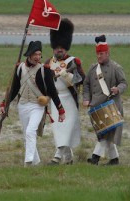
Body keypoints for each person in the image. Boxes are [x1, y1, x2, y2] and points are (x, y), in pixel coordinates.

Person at [0, 41, 65, 167]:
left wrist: (60, 110)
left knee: (30, 132)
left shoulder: (44, 70)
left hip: (37, 106)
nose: (37, 57)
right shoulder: (19, 68)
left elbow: (52, 91)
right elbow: (14, 89)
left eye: (39, 54)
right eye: (35, 54)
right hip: (22, 105)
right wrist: (4, 104)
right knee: (27, 136)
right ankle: (35, 162)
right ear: (29, 54)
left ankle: (28, 162)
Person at [44, 18, 85, 165]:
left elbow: (82, 80)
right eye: (57, 47)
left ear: (66, 47)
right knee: (59, 129)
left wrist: (66, 74)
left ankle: (57, 157)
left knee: (66, 127)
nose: (59, 49)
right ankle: (68, 158)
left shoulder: (74, 61)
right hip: (55, 100)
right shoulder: (48, 63)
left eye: (62, 47)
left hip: (69, 98)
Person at [83, 35, 128, 165]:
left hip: (111, 105)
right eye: (97, 54)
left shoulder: (116, 67)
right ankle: (114, 160)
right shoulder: (92, 69)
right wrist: (86, 99)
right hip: (96, 107)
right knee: (105, 134)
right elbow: (86, 85)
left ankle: (95, 158)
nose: (99, 56)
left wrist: (118, 89)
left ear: (107, 53)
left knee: (105, 134)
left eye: (101, 54)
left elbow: (124, 83)